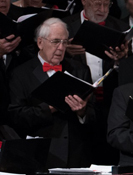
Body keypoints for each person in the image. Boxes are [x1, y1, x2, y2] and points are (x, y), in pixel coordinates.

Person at [8, 18, 96, 167]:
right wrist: (49, 108)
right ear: (40, 42)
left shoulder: (80, 70)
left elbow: (95, 114)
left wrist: (82, 112)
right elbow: (16, 115)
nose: (61, 48)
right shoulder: (20, 74)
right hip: (39, 154)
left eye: (65, 42)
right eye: (55, 41)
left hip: (75, 155)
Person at [62, 0, 128, 84]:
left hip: (110, 94)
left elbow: (129, 70)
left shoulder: (121, 28)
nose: (103, 10)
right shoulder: (64, 26)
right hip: (76, 94)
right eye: (97, 4)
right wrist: (65, 53)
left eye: (106, 4)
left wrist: (122, 58)